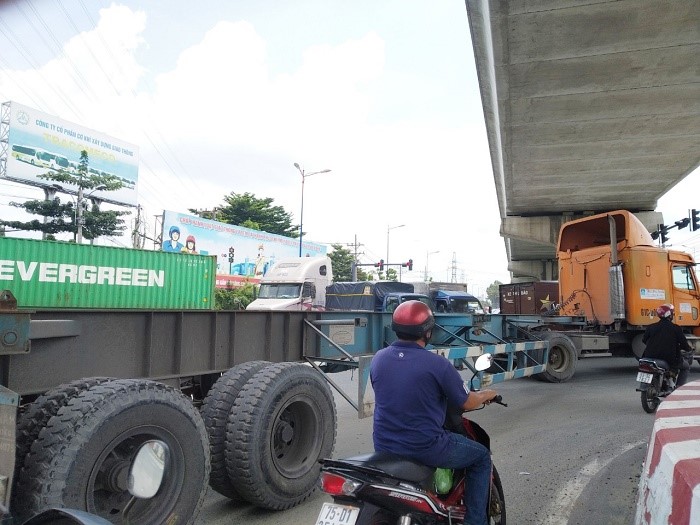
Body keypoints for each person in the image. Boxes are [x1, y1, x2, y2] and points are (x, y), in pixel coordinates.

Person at [371, 300, 498, 525]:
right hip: (426, 447)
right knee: (480, 458)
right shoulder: (437, 364)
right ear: (428, 332)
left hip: (384, 446)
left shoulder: (379, 358)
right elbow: (467, 402)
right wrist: (488, 394)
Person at [642, 303, 693, 387]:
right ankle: (679, 388)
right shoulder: (676, 328)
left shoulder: (651, 327)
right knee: (686, 367)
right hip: (669, 360)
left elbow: (644, 340)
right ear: (670, 315)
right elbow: (684, 344)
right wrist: (689, 349)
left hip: (649, 357)